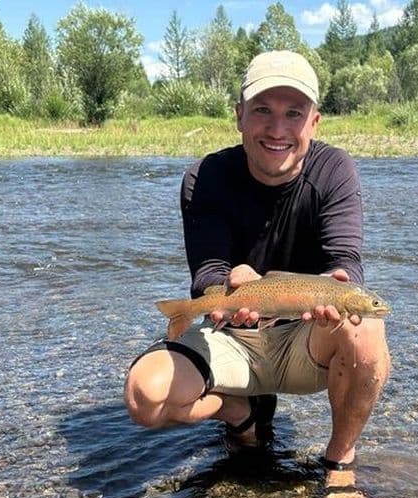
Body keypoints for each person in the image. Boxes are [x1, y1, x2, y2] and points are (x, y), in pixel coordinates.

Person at [124, 50, 390, 473]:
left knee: (367, 330)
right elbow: (207, 273)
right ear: (239, 115)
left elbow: (346, 263)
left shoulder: (334, 170)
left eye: (294, 113)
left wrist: (337, 283)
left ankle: (339, 461)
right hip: (232, 330)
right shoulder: (205, 175)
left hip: (307, 338)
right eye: (263, 110)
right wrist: (233, 280)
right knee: (146, 397)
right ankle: (239, 414)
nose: (277, 128)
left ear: (315, 122)